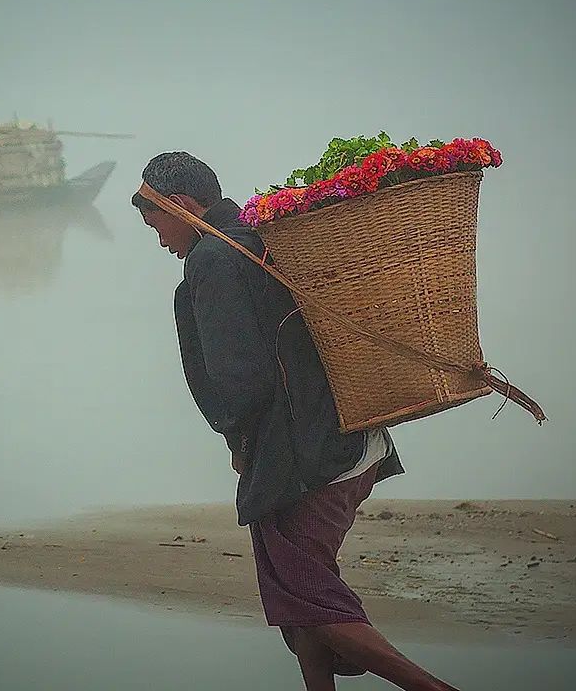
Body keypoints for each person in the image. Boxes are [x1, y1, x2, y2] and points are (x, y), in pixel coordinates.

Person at [131, 151, 460, 691]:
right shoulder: (259, 235)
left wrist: (238, 439)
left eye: (157, 222)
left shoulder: (213, 260)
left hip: (306, 456)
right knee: (299, 599)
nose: (161, 239)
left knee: (306, 597)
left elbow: (243, 382)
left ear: (182, 205)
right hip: (353, 435)